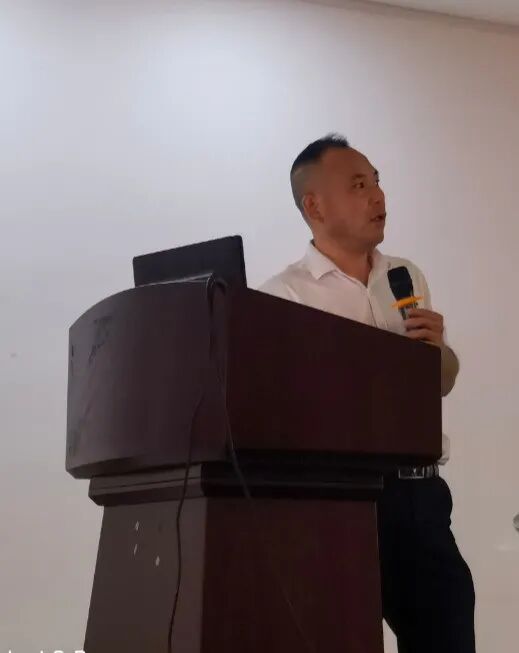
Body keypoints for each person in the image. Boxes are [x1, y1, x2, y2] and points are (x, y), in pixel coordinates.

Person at [259, 134, 476, 653]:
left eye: (377, 182)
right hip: (337, 501)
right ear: (315, 206)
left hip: (420, 495)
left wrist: (436, 352)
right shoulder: (284, 297)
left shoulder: (404, 275)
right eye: (359, 186)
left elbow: (441, 381)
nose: (378, 196)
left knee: (447, 630)